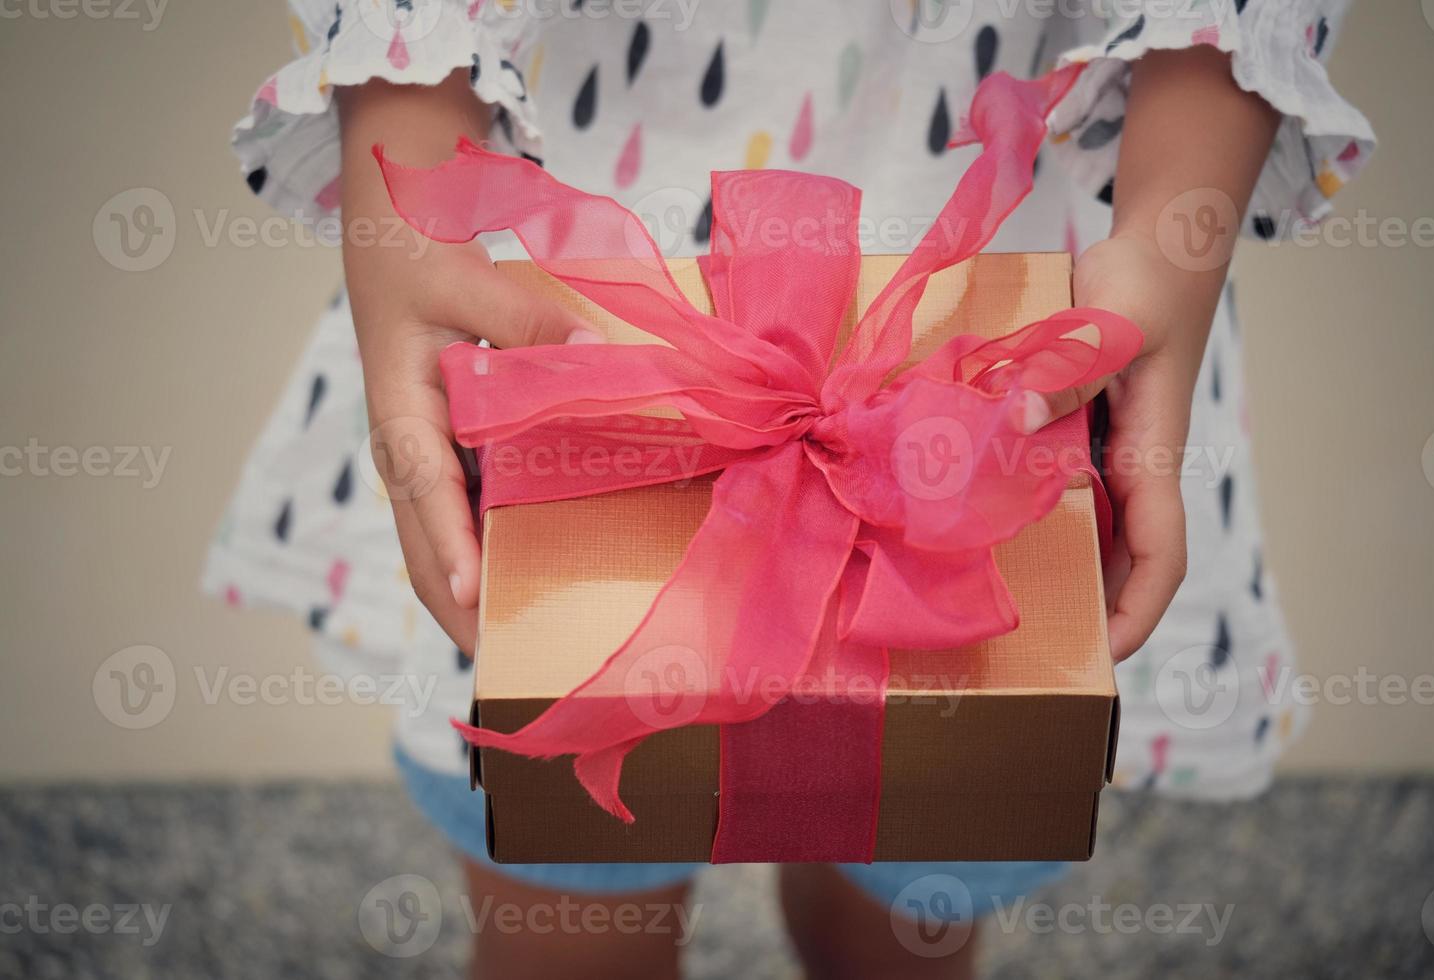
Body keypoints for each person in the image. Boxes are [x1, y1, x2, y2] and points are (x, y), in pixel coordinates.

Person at [207, 3, 1373, 977]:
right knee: (564, 912)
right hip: (567, 319)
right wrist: (407, 188)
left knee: (911, 897)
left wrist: (1175, 228)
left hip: (1004, 345)